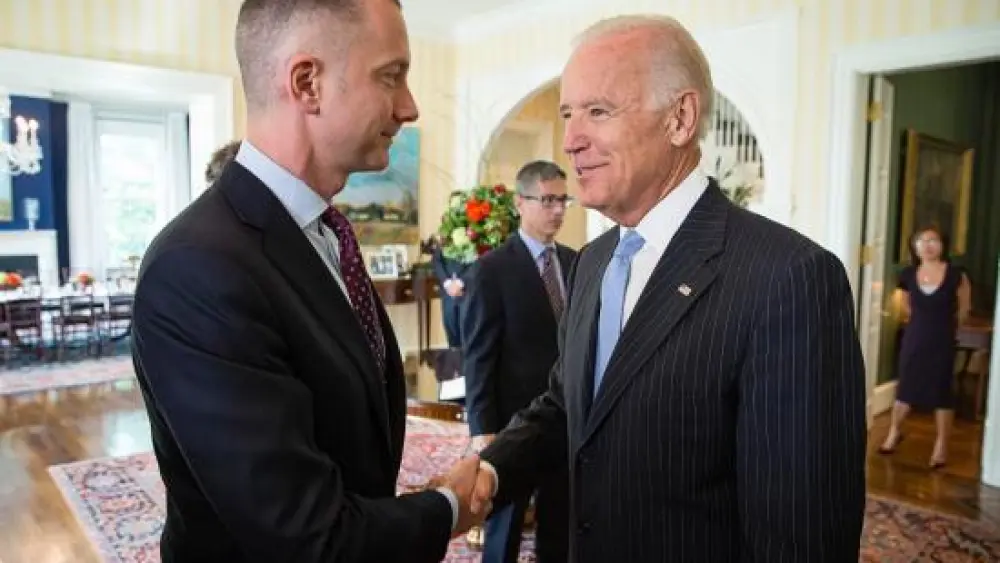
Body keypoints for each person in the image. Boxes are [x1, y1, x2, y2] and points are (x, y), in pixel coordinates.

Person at [462, 15, 867, 563]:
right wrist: (493, 467)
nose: (571, 140)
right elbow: (569, 405)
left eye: (598, 111)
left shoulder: (789, 278)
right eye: (567, 114)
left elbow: (802, 534)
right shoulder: (593, 262)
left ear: (680, 118)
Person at [130, 1, 486, 561]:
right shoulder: (198, 266)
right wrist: (446, 509)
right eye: (391, 75)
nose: (409, 106)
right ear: (307, 83)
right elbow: (303, 535)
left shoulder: (324, 234)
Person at [461, 160, 575, 563]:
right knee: (505, 530)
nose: (558, 210)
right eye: (547, 200)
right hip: (513, 424)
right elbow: (478, 356)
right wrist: (483, 430)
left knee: (560, 525)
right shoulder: (491, 271)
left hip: (564, 421)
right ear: (521, 202)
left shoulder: (577, 263)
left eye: (563, 199)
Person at [879, 226, 972, 468]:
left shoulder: (957, 275)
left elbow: (963, 311)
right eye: (922, 240)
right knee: (906, 387)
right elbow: (906, 307)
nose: (928, 245)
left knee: (942, 391)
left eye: (934, 240)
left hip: (942, 340)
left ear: (943, 245)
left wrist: (942, 326)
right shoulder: (908, 274)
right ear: (915, 245)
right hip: (914, 338)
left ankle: (941, 445)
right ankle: (894, 433)